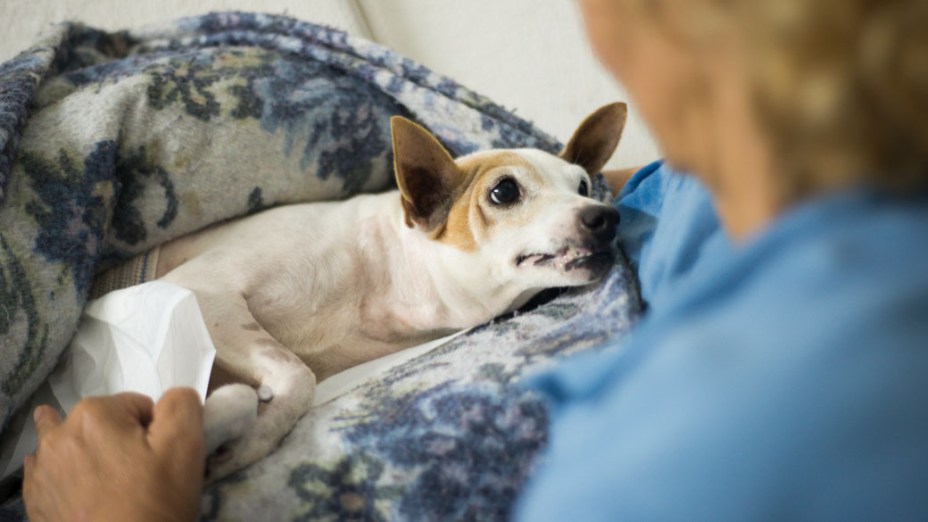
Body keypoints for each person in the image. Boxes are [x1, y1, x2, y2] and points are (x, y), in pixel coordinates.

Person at [23, 0, 928, 519]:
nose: (595, 216)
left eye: (588, 191)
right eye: (510, 193)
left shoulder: (682, 450)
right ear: (420, 200)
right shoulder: (703, 206)